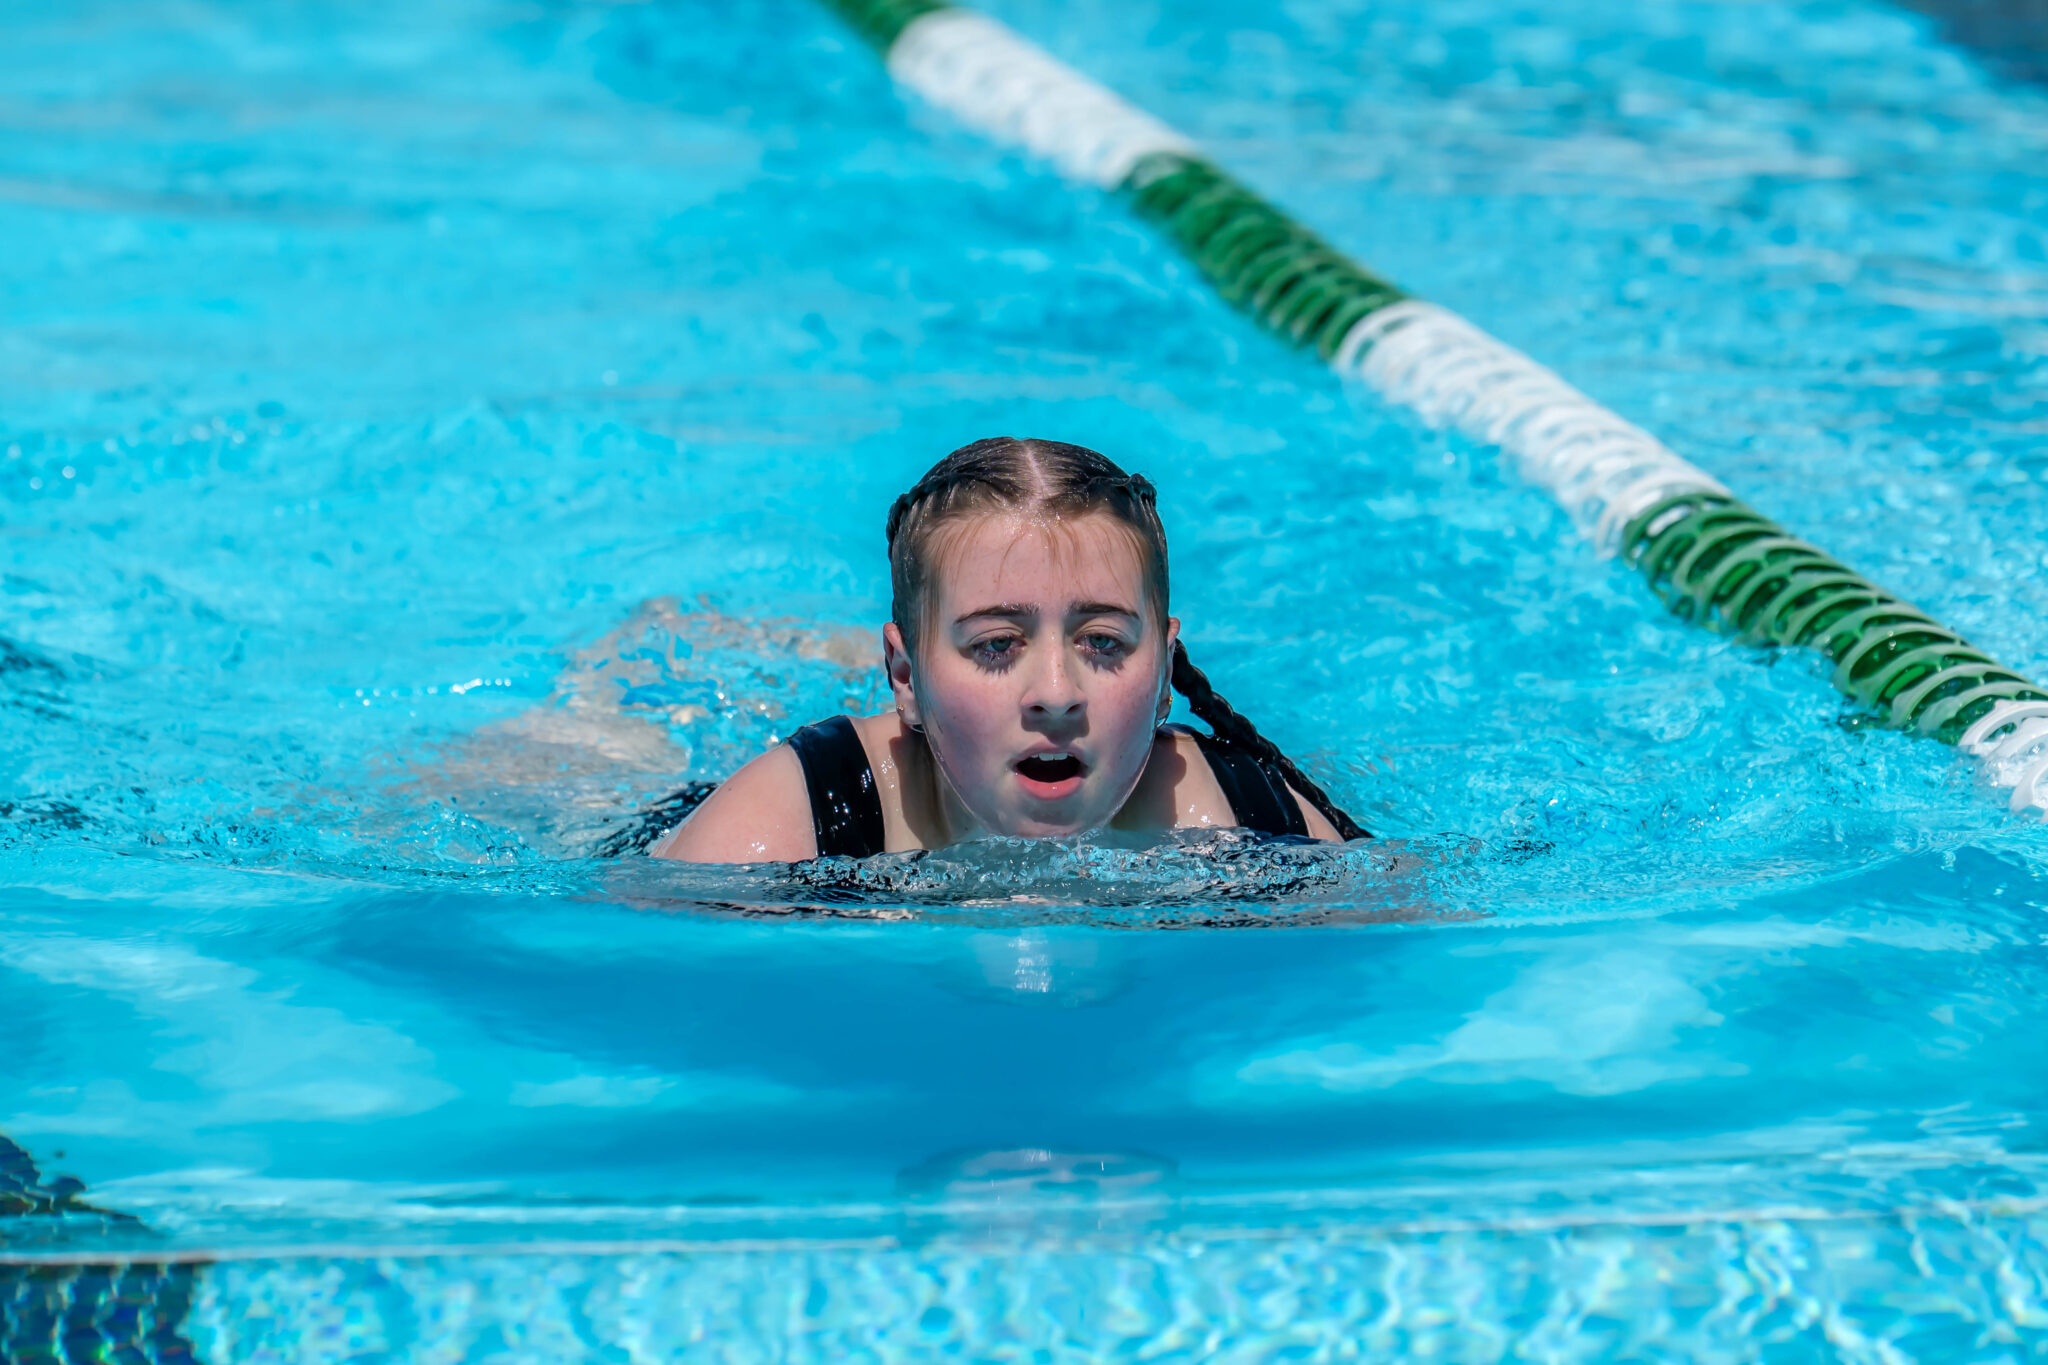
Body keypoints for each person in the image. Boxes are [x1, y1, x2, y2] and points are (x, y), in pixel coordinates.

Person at [650, 437, 1366, 863]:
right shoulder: (800, 818)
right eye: (997, 646)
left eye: (1103, 642)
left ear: (1162, 680)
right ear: (904, 677)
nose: (1056, 692)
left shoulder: (1250, 817)